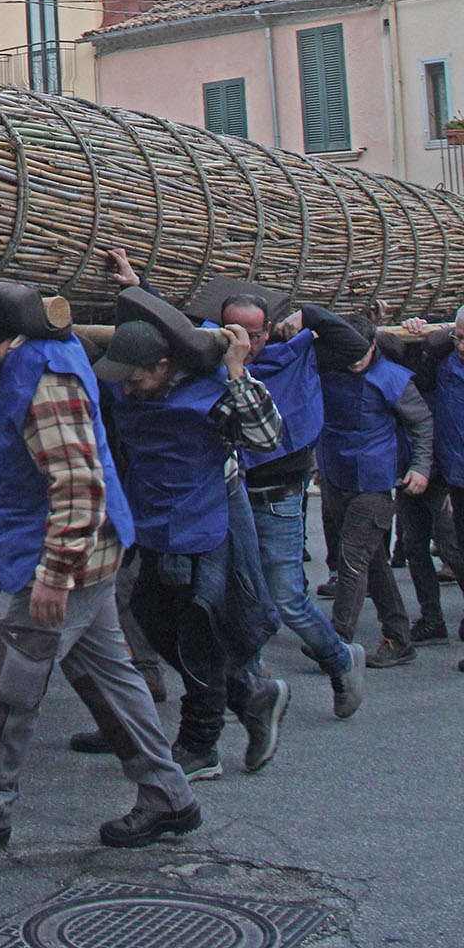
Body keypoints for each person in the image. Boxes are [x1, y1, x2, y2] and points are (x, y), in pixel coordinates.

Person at [0, 280, 200, 852]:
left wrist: (53, 574)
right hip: (82, 556)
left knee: (3, 694)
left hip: (57, 562)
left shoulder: (42, 384)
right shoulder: (29, 357)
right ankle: (169, 797)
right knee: (113, 683)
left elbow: (78, 487)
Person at [93, 301, 290, 782]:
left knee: (197, 629)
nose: (127, 385)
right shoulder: (129, 391)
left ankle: (200, 743)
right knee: (151, 618)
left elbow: (267, 437)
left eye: (135, 375)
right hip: (152, 523)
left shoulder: (212, 393)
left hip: (204, 527)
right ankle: (248, 693)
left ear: (164, 365)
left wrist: (238, 370)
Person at [216, 287, 370, 717]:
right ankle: (251, 684)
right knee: (235, 591)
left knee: (286, 597)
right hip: (232, 490)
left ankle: (341, 660)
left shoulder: (297, 354)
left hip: (280, 492)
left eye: (255, 333)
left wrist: (312, 316)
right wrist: (137, 287)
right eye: (235, 332)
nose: (247, 342)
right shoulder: (212, 355)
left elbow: (357, 348)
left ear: (269, 329)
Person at [317, 312, 433, 668]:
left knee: (351, 558)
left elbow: (422, 423)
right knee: (374, 562)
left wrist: (420, 467)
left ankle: (337, 643)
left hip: (375, 483)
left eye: (359, 353)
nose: (352, 361)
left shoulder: (392, 378)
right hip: (336, 477)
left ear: (372, 345)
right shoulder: (327, 369)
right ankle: (399, 637)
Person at [383, 311, 464, 649]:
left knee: (453, 548)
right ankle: (432, 618)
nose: (462, 346)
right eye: (459, 339)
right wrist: (421, 325)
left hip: (447, 474)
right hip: (416, 465)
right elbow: (413, 343)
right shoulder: (439, 364)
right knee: (414, 546)